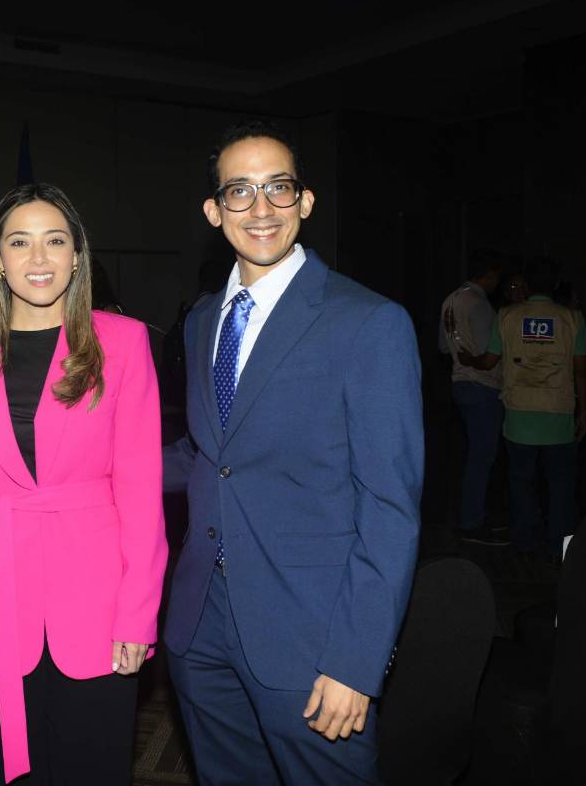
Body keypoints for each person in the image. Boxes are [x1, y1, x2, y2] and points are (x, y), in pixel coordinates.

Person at [163, 120, 423, 784]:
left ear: (305, 201)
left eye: (278, 187)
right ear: (213, 210)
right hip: (201, 628)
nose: (261, 208)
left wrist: (356, 661)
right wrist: (97, 468)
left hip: (312, 641)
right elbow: (208, 455)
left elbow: (390, 508)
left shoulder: (367, 322)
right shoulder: (201, 321)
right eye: (240, 191)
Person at [0, 183, 166, 785]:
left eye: (54, 241)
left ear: (76, 256)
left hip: (96, 602)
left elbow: (142, 492)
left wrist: (138, 615)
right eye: (20, 242)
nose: (38, 259)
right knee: (5, 768)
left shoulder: (123, 342)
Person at [459, 256, 586, 560]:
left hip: (519, 415)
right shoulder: (573, 319)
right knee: (560, 487)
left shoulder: (506, 315)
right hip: (558, 413)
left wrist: (469, 360)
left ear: (527, 285)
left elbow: (489, 361)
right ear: (556, 284)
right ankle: (560, 547)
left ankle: (524, 541)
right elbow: (581, 371)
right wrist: (583, 413)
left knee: (521, 482)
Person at [438, 248, 507, 544]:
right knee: (482, 458)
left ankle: (473, 516)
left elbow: (443, 347)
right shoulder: (478, 303)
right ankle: (472, 522)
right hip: (482, 384)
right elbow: (486, 353)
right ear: (489, 274)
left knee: (475, 456)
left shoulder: (450, 299)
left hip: (459, 382)